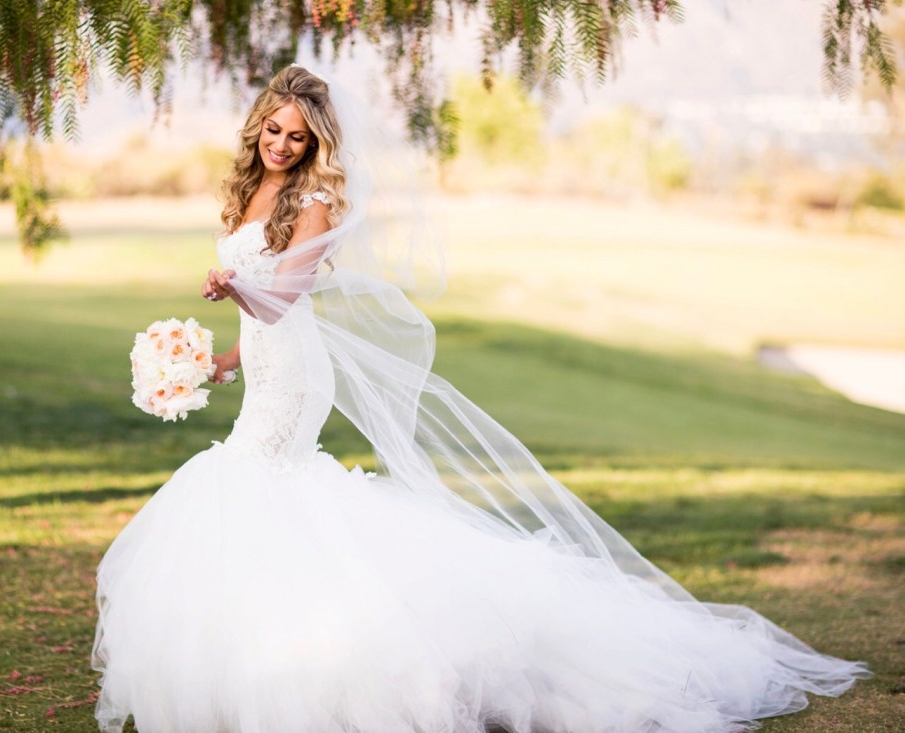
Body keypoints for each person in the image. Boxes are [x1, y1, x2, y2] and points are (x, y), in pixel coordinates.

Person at [91, 64, 871, 733]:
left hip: (297, 374)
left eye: (298, 137)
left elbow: (287, 298)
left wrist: (235, 288)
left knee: (265, 485)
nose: (283, 146)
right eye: (274, 130)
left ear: (315, 141)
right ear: (257, 124)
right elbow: (262, 321)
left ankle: (325, 672)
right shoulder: (249, 192)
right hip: (266, 363)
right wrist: (223, 358)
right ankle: (254, 665)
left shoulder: (314, 204)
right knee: (264, 492)